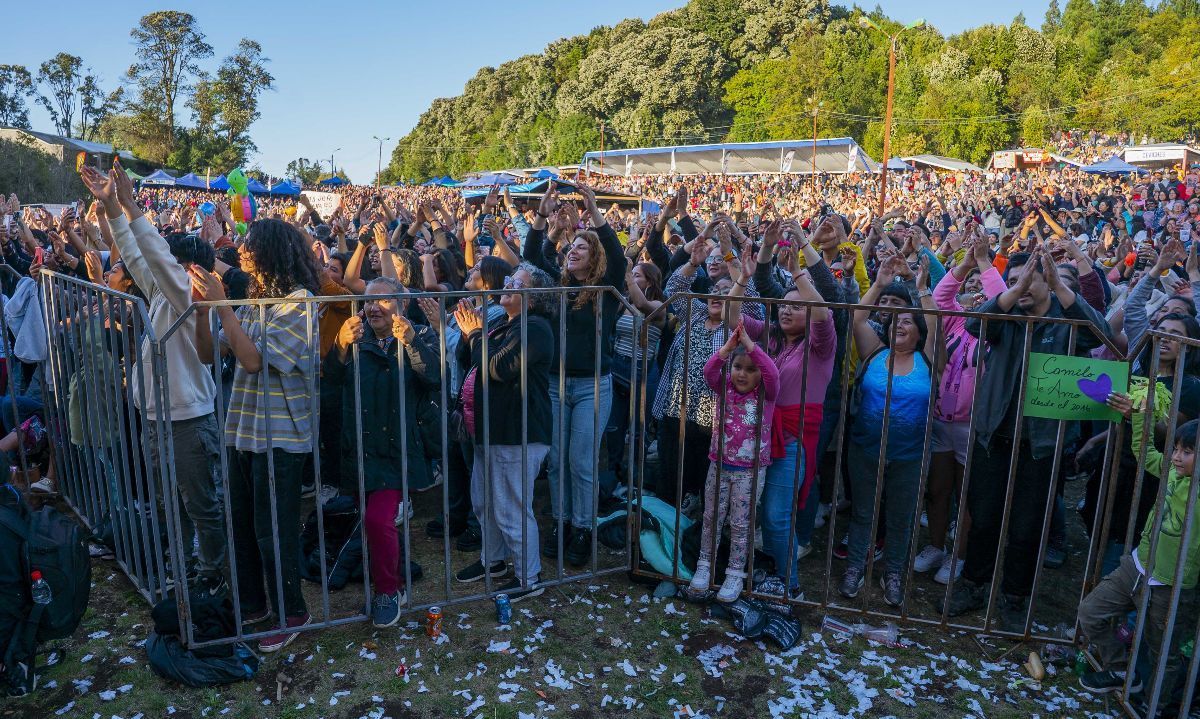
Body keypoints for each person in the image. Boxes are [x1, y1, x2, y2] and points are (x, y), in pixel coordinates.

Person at [941, 247, 1113, 632]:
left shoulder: (1065, 322)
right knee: (983, 518)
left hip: (1040, 443)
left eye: (1031, 278)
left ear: (1048, 283)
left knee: (1026, 525)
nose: (1023, 286)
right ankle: (973, 584)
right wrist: (1012, 290)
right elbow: (975, 324)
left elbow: (1102, 334)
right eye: (1016, 279)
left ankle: (1014, 597)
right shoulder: (1006, 316)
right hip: (993, 437)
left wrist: (1061, 289)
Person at [79, 161, 227, 595]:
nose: (166, 268)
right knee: (167, 503)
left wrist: (128, 204)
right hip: (156, 420)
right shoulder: (164, 294)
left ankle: (211, 573)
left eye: (176, 263)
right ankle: (179, 567)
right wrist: (111, 209)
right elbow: (140, 257)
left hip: (187, 422)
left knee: (201, 505)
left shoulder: (187, 294)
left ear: (190, 268)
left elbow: (156, 256)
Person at [191, 218, 321, 653]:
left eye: (250, 245)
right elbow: (208, 353)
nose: (242, 251)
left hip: (281, 437)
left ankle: (292, 612)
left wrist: (223, 307)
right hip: (242, 430)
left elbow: (251, 361)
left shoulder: (298, 303)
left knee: (273, 529)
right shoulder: (252, 300)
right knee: (243, 526)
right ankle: (253, 605)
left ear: (272, 251)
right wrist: (203, 309)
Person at [326, 277, 440, 627]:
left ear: (401, 306)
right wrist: (339, 345)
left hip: (397, 447)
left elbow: (434, 377)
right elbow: (330, 381)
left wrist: (412, 344)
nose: (373, 307)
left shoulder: (418, 335)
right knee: (376, 524)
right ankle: (397, 580)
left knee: (378, 519)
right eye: (368, 301)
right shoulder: (354, 339)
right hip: (361, 447)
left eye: (383, 301)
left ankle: (387, 591)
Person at [523, 183, 626, 568]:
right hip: (554, 384)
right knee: (556, 461)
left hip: (591, 387)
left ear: (593, 257)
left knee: (582, 461)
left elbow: (617, 256)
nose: (572, 252)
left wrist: (593, 210)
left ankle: (584, 527)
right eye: (571, 248)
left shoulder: (604, 288)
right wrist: (541, 214)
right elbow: (532, 255)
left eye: (581, 248)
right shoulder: (557, 288)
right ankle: (562, 523)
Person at [1077, 393, 1200, 707]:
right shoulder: (1173, 471)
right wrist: (1139, 417)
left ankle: (1153, 706)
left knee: (1163, 653)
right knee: (1090, 612)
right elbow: (1144, 452)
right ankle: (1120, 671)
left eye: (1187, 452)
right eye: (1175, 449)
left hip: (1171, 584)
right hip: (1137, 565)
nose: (1176, 457)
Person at [841, 254, 941, 607]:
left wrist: (922, 289)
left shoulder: (928, 359)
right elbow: (856, 319)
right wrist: (880, 283)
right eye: (894, 320)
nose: (898, 324)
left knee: (901, 516)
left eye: (907, 321)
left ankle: (894, 573)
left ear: (918, 331)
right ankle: (855, 566)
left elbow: (937, 324)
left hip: (910, 455)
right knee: (863, 512)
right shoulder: (874, 352)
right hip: (865, 449)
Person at [453, 263, 557, 599]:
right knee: (484, 501)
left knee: (512, 506)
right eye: (510, 279)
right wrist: (471, 333)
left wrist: (473, 335)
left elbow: (498, 369)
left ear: (532, 297)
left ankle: (528, 577)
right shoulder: (503, 323)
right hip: (489, 429)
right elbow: (469, 358)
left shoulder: (537, 328)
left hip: (519, 431)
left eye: (517, 282)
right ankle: (493, 560)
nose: (508, 284)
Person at [918, 229, 1006, 584]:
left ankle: (959, 555)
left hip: (974, 425)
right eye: (971, 297)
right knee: (938, 489)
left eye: (982, 298)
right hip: (941, 420)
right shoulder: (955, 322)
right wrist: (964, 264)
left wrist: (985, 261)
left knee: (966, 494)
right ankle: (936, 546)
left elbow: (1004, 303)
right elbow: (941, 297)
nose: (975, 301)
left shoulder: (999, 333)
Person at [689, 323, 779, 602]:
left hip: (749, 472)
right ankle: (705, 565)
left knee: (741, 523)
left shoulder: (766, 393)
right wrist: (727, 349)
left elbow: (772, 374)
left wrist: (752, 347)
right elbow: (708, 371)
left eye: (751, 370)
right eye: (738, 367)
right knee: (711, 517)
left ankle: (735, 573)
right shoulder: (723, 386)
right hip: (719, 464)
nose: (743, 374)